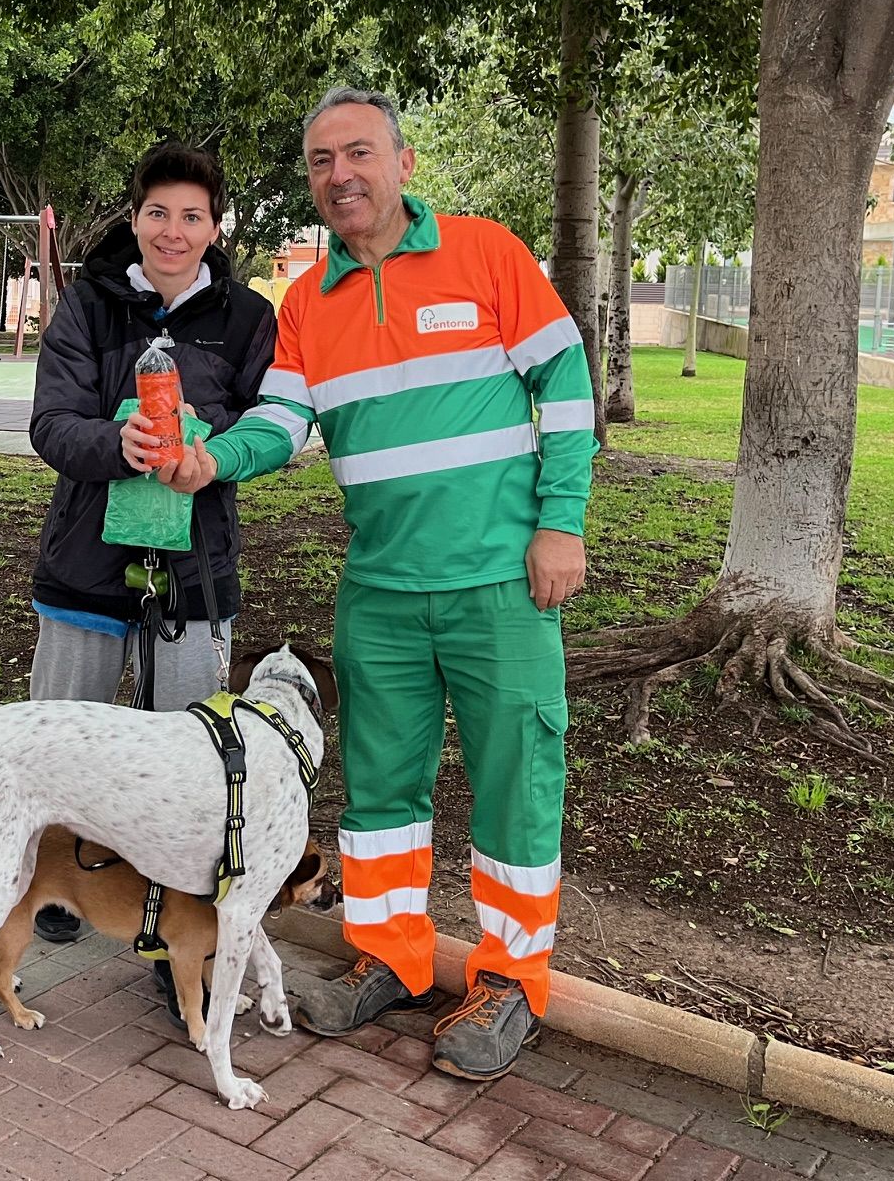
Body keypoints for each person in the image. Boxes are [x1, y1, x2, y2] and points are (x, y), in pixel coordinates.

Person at [159, 87, 596, 1080]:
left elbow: (563, 388)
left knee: (516, 786)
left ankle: (512, 982)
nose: (341, 176)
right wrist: (208, 462)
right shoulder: (307, 303)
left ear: (402, 161)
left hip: (500, 584)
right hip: (383, 592)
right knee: (382, 795)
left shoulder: (487, 253)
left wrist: (560, 523)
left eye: (358, 154)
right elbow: (280, 422)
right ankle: (391, 959)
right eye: (321, 162)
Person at [25, 142, 278, 959]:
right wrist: (115, 442)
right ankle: (57, 882)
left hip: (197, 572)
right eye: (158, 213)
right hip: (85, 572)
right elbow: (50, 424)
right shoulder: (87, 306)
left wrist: (214, 453)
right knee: (62, 739)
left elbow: (272, 426)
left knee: (194, 757)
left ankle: (179, 922)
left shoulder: (248, 318)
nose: (173, 231)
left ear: (214, 227)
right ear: (134, 219)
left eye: (192, 216)